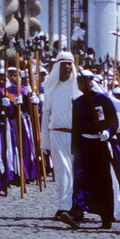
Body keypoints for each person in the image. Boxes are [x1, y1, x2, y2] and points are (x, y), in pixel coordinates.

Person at [68, 72, 118, 229]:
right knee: (80, 178)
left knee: (102, 180)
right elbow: (75, 126)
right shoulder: (78, 102)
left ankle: (106, 216)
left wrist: (108, 132)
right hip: (84, 145)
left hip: (99, 144)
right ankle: (76, 213)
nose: (81, 86)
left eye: (84, 82)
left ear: (91, 83)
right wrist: (74, 147)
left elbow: (113, 121)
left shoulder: (103, 100)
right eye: (79, 83)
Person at [41, 50, 77, 223]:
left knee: (75, 172)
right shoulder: (51, 88)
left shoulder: (77, 87)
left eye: (70, 63)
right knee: (62, 171)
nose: (68, 67)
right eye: (64, 64)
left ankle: (75, 206)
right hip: (56, 134)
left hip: (75, 135)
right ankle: (64, 206)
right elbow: (45, 116)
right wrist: (45, 141)